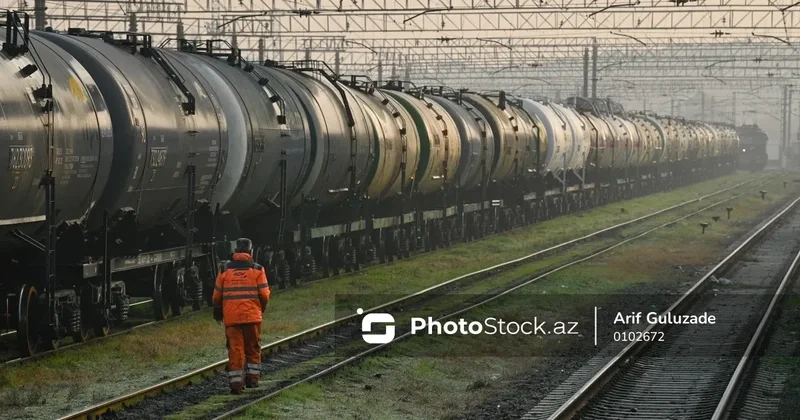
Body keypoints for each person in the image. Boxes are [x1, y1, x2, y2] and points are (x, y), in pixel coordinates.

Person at [212, 238, 271, 394]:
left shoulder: (224, 270)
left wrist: (218, 310)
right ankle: (253, 380)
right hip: (252, 317)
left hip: (232, 319)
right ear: (251, 251)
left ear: (236, 251)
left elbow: (216, 296)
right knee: (253, 348)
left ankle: (236, 385)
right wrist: (260, 308)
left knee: (235, 351)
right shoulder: (258, 270)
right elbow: (264, 294)